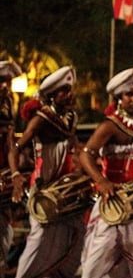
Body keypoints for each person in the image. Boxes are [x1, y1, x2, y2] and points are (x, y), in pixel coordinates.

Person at [79, 67, 133, 278]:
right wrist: (102, 181)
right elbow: (85, 155)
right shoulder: (110, 125)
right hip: (112, 204)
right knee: (96, 265)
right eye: (129, 94)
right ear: (119, 97)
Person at [8, 66, 86, 278]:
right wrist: (16, 176)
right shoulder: (42, 118)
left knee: (76, 233)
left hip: (66, 189)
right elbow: (15, 149)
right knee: (40, 239)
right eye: (63, 90)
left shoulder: (71, 117)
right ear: (52, 94)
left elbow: (75, 147)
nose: (69, 94)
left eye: (69, 89)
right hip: (44, 188)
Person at [0, 61, 21, 276]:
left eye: (8, 81)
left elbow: (9, 145)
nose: (5, 86)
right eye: (1, 81)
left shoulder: (7, 103)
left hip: (2, 178)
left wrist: (14, 174)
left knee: (3, 235)